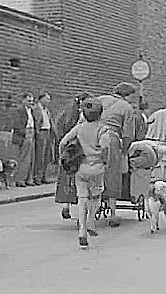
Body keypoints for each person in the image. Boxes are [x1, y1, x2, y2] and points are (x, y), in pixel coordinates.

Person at [59, 98, 110, 248]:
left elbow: (63, 142)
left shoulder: (79, 128)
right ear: (100, 114)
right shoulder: (103, 130)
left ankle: (81, 230)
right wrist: (105, 161)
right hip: (97, 167)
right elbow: (105, 147)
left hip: (81, 167)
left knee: (82, 199)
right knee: (96, 196)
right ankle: (90, 221)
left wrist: (63, 158)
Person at [98, 82, 137, 227]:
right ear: (127, 95)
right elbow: (128, 133)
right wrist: (125, 150)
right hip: (111, 138)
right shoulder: (126, 107)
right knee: (112, 173)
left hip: (91, 134)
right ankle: (113, 213)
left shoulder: (100, 99)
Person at [55, 92, 91, 219]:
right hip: (80, 149)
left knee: (67, 178)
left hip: (68, 150)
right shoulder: (85, 116)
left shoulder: (66, 114)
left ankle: (66, 205)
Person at [12, 93, 37, 187]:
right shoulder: (19, 110)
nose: (31, 103)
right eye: (29, 101)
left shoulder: (32, 111)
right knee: (23, 158)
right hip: (24, 134)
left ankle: (29, 178)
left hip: (32, 133)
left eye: (32, 101)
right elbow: (17, 124)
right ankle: (20, 179)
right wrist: (25, 133)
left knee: (31, 158)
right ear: (23, 101)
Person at [33, 92, 57, 185]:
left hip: (48, 132)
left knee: (47, 155)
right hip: (41, 132)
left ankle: (44, 176)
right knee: (40, 156)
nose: (48, 101)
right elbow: (36, 122)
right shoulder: (37, 109)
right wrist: (38, 133)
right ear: (41, 99)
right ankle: (37, 177)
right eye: (47, 99)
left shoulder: (46, 110)